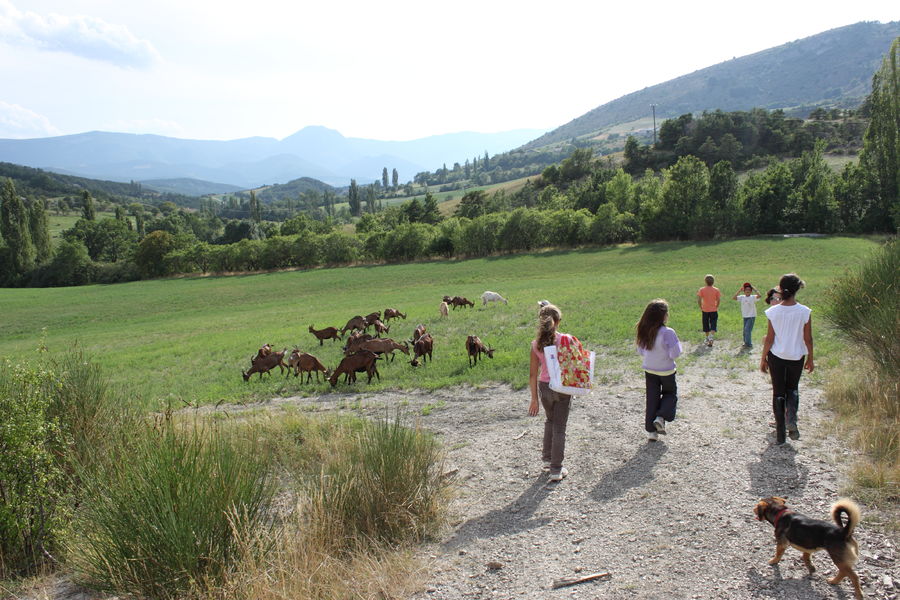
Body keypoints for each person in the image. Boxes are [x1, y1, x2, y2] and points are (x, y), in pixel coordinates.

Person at [760, 274, 813, 445]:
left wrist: (763, 359)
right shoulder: (805, 312)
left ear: (781, 289)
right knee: (792, 388)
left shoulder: (773, 311)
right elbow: (808, 338)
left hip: (776, 356)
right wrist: (811, 358)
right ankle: (792, 418)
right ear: (798, 289)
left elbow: (769, 338)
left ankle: (780, 434)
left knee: (778, 392)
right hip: (796, 356)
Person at [528, 302, 571, 482]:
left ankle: (547, 459)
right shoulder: (566, 340)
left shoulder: (536, 344)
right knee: (560, 427)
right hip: (562, 386)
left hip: (544, 386)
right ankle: (556, 469)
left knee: (550, 420)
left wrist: (534, 399)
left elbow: (532, 374)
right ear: (558, 321)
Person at [636, 299, 683, 441]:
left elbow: (641, 351)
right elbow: (675, 353)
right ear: (663, 316)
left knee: (652, 399)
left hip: (649, 370)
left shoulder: (643, 330)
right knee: (670, 394)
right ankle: (661, 417)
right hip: (666, 370)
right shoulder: (668, 332)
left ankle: (651, 432)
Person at [732, 282, 761, 347]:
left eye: (749, 290)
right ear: (744, 291)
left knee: (747, 329)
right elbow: (734, 298)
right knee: (745, 330)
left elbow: (759, 296)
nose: (747, 291)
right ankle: (746, 342)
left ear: (751, 291)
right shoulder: (742, 297)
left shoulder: (753, 297)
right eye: (746, 290)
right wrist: (739, 290)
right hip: (745, 316)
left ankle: (749, 344)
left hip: (751, 316)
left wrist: (754, 289)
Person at [697, 274, 721, 347]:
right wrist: (716, 306)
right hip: (713, 310)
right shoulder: (716, 290)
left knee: (705, 324)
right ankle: (711, 337)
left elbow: (699, 299)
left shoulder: (702, 289)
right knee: (713, 324)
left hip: (705, 310)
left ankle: (707, 338)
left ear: (705, 281)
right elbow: (719, 299)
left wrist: (700, 306)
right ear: (713, 282)